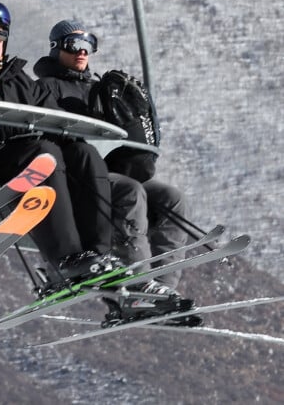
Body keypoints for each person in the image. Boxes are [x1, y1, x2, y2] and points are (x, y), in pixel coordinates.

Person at [0, 1, 125, 289]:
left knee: (83, 154)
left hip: (32, 155)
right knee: (45, 154)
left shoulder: (17, 77)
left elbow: (52, 117)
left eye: (0, 35)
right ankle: (65, 257)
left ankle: (97, 254)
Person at [34, 19, 191, 295]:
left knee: (171, 197)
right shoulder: (46, 88)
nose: (82, 52)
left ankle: (163, 286)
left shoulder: (98, 88)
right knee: (129, 192)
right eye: (74, 45)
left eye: (89, 45)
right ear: (56, 48)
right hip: (77, 174)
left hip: (108, 168)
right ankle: (138, 283)